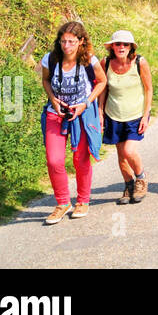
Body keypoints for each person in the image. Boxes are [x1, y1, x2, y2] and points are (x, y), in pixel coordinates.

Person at [39, 21, 106, 224]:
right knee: (54, 160)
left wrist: (86, 104)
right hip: (56, 113)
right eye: (63, 41)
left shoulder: (89, 61)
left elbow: (102, 82)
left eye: (71, 41)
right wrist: (52, 99)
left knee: (80, 159)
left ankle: (83, 201)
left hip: (82, 114)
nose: (66, 45)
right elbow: (45, 80)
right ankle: (62, 203)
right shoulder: (50, 59)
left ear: (81, 41)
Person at [99, 30, 153, 204]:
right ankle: (129, 186)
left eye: (125, 44)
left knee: (129, 151)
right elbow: (103, 88)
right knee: (121, 155)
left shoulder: (139, 63)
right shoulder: (105, 63)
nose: (121, 47)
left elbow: (148, 89)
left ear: (131, 47)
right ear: (112, 46)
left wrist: (146, 115)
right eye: (117, 44)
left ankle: (141, 179)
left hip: (136, 115)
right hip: (113, 115)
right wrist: (100, 112)